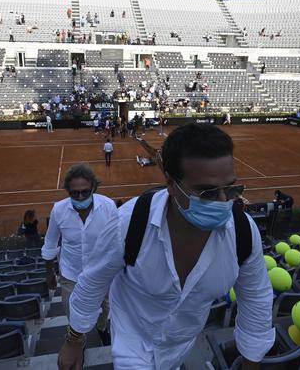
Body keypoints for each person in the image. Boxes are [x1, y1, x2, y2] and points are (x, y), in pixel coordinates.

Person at [57, 124, 273, 369]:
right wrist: (74, 340)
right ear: (171, 184)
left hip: (182, 346)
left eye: (232, 189)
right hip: (132, 344)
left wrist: (252, 360)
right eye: (208, 193)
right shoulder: (127, 222)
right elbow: (93, 281)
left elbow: (256, 296)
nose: (224, 202)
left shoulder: (244, 232)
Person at [42, 164, 118, 346]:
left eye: (85, 192)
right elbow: (50, 242)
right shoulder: (58, 210)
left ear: (93, 188)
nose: (80, 196)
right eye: (75, 193)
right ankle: (78, 341)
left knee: (106, 309)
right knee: (73, 313)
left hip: (103, 275)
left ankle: (102, 329)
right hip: (71, 274)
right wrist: (49, 273)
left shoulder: (108, 206)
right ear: (68, 191)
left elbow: (117, 240)